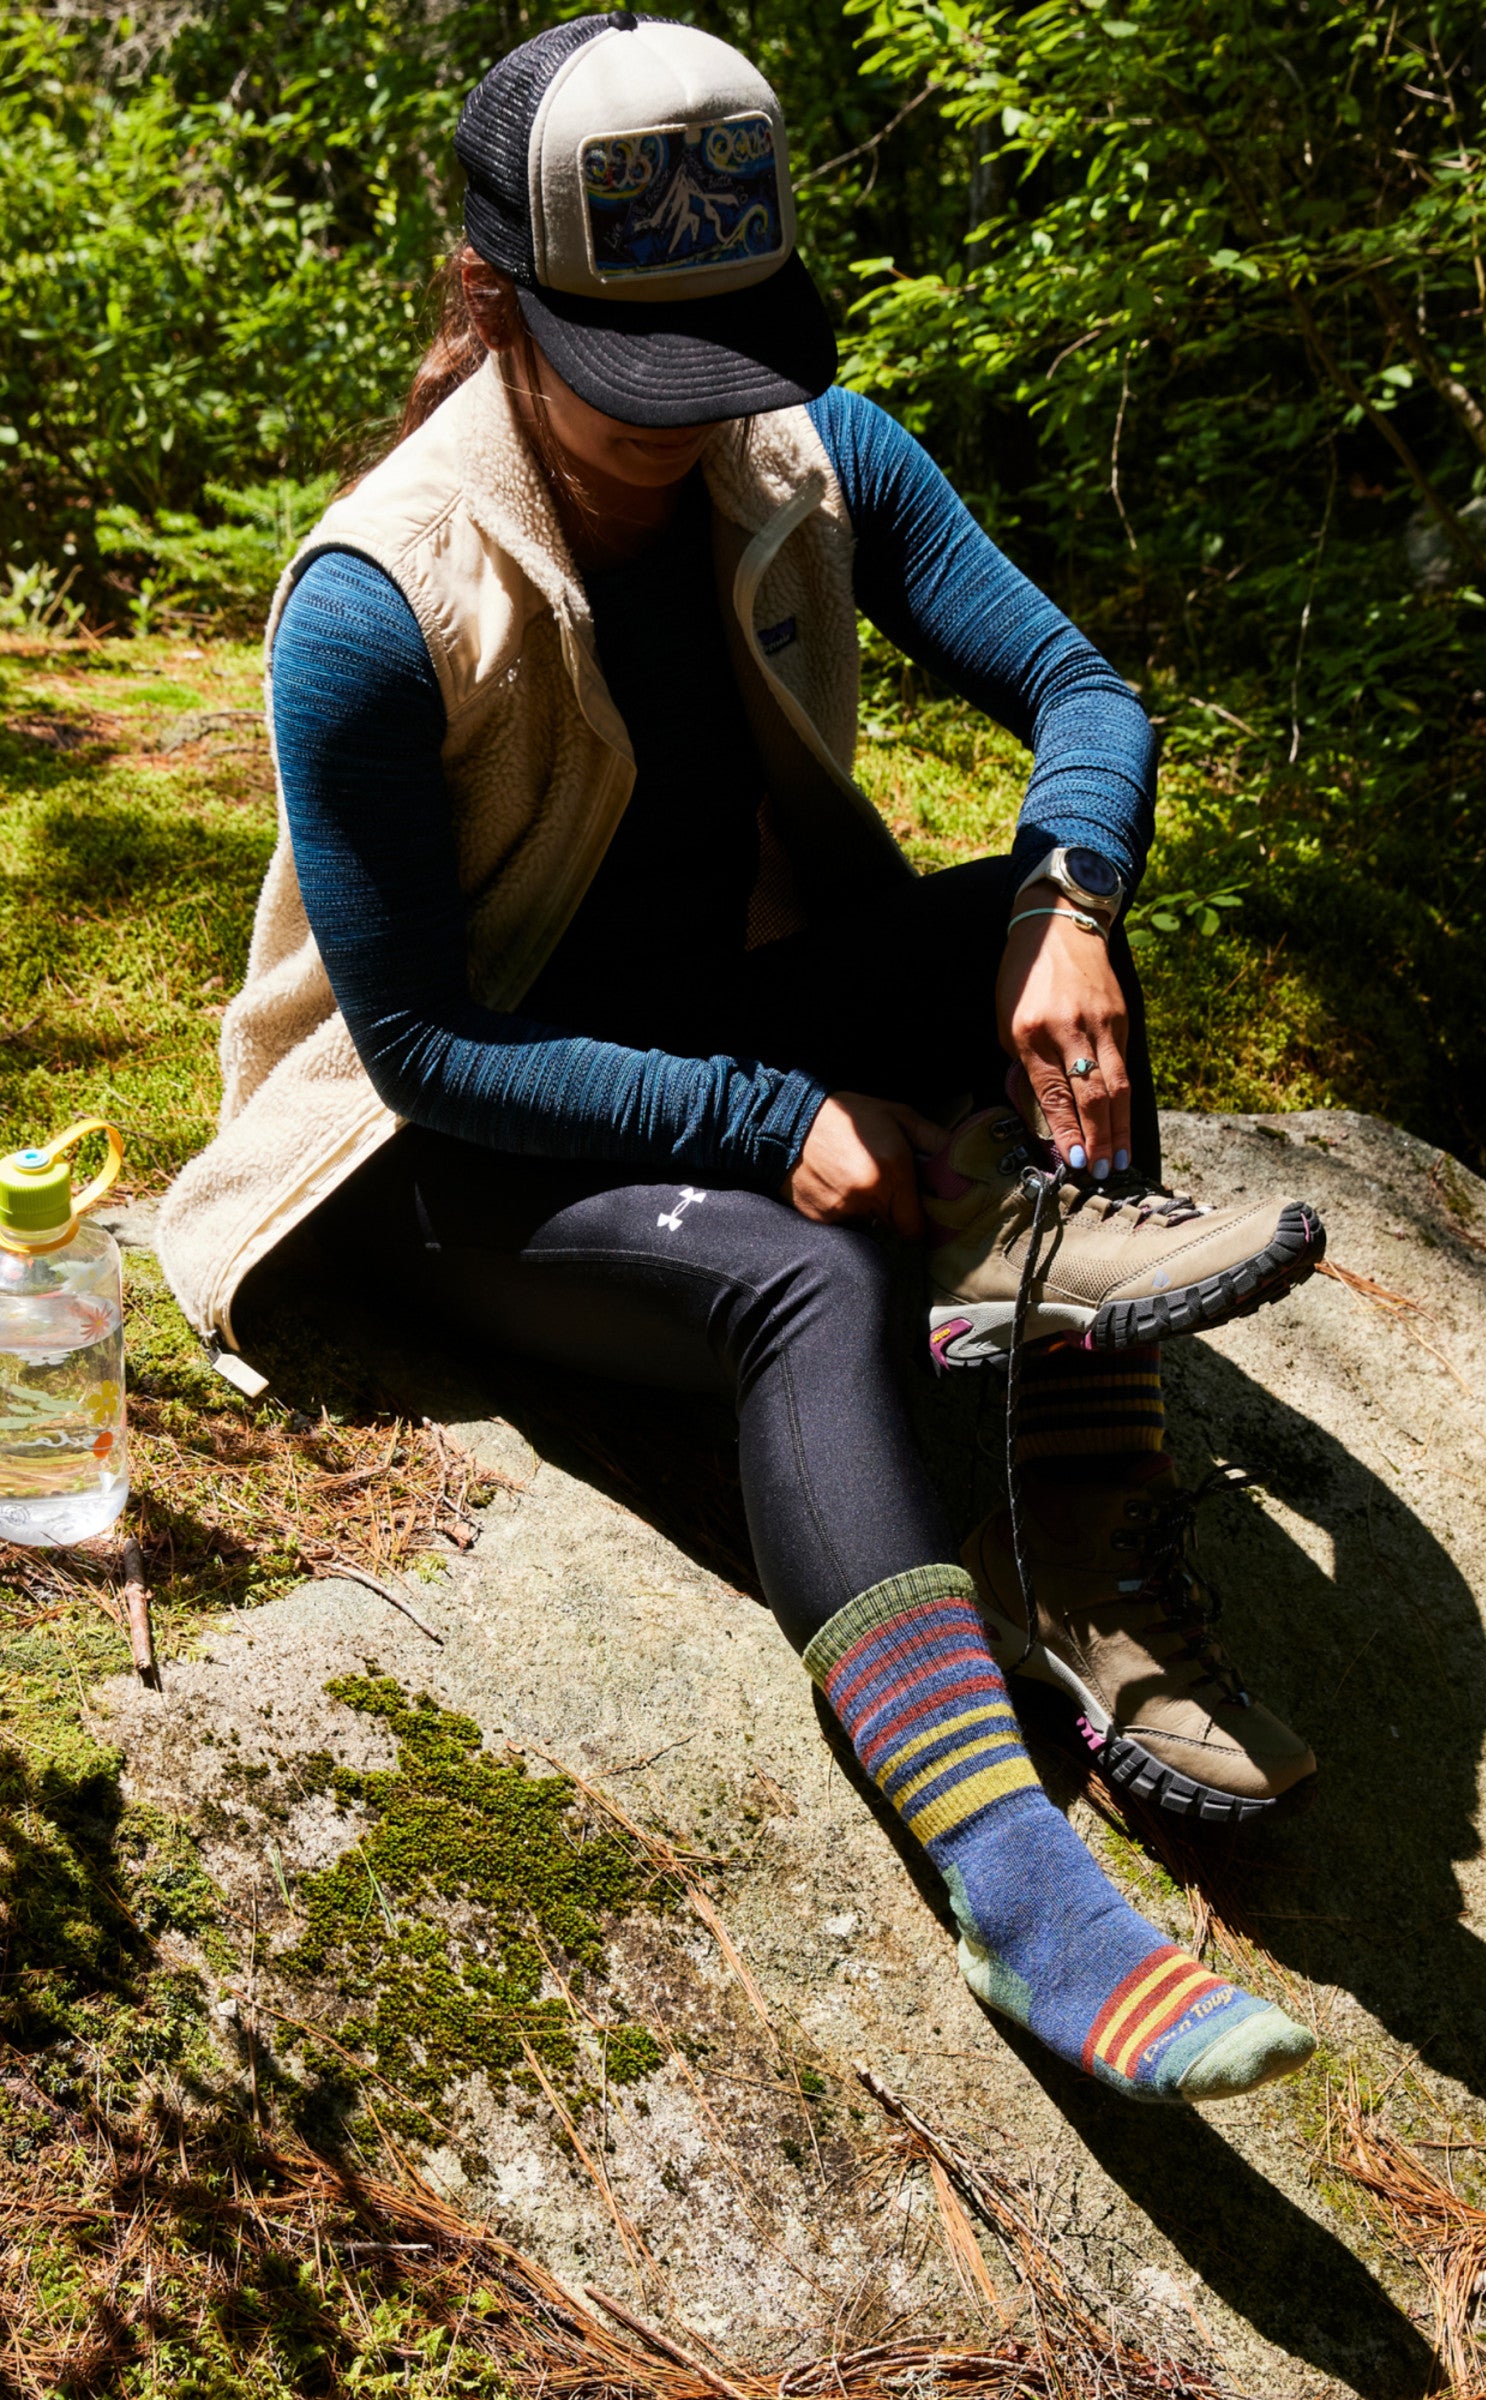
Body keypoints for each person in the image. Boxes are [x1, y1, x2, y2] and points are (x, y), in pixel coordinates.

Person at [155, 10, 1328, 2105]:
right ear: (488, 297)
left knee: (1021, 945)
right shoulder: (379, 595)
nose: (681, 422)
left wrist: (1072, 902)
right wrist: (770, 1124)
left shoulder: (816, 456)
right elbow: (420, 1040)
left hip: (723, 1007)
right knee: (822, 1278)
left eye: (720, 361)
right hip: (452, 1147)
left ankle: (1093, 1563)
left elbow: (1080, 687)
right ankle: (1020, 1888)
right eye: (630, 378)